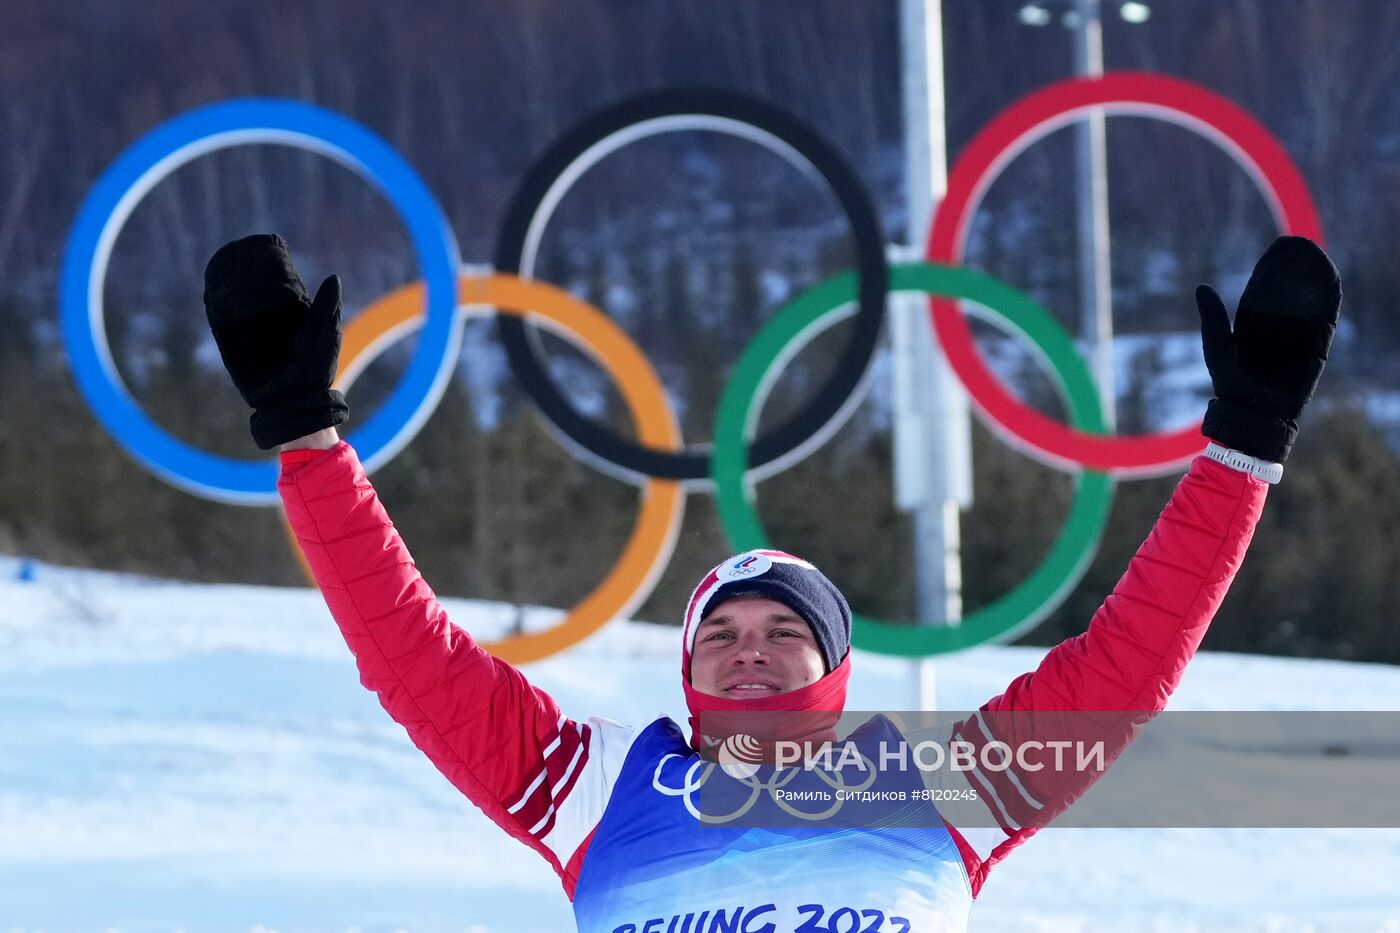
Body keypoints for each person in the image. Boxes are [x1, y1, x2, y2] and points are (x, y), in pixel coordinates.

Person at [203, 233, 1340, 932]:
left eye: (781, 628)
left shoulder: (944, 788)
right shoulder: (591, 789)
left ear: (834, 666)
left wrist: (1240, 445)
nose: (747, 645)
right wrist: (305, 438)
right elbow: (411, 654)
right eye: (720, 631)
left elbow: (1126, 663)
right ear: (687, 671)